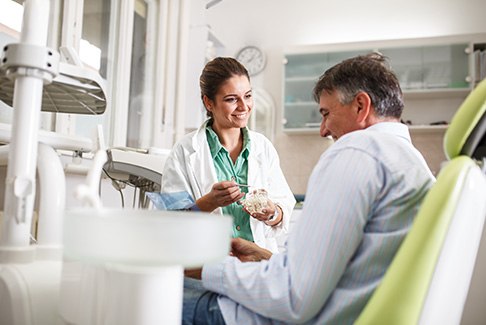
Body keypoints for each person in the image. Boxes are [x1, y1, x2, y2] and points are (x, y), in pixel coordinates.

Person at [181, 53, 436, 324]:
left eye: (326, 113)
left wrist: (210, 268)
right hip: (304, 295)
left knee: (154, 295)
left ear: (361, 106)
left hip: (272, 312)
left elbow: (291, 296)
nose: (323, 130)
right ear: (209, 103)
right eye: (232, 98)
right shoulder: (411, 161)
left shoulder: (356, 152)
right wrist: (265, 257)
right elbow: (337, 271)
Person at [161, 57, 296, 253]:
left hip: (257, 268)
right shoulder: (184, 151)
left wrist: (272, 212)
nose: (244, 106)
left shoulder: (263, 148)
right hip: (207, 268)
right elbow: (170, 222)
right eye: (232, 99)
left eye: (248, 96)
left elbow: (284, 206)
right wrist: (210, 202)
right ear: (209, 103)